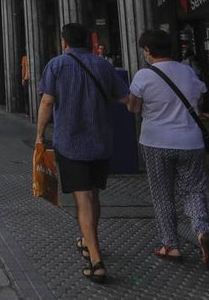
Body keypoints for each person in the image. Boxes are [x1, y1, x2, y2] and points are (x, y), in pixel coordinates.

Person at [35, 22, 130, 284]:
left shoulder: (56, 65)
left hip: (71, 143)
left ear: (64, 42)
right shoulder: (103, 65)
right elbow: (126, 99)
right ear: (88, 41)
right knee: (93, 195)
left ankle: (97, 260)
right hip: (101, 142)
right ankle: (88, 241)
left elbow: (46, 101)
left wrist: (40, 135)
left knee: (83, 199)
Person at [127, 29, 209, 270]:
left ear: (148, 51)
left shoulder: (144, 75)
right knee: (193, 191)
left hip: (156, 142)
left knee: (162, 195)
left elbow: (134, 108)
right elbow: (197, 104)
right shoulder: (187, 71)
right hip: (191, 142)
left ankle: (170, 245)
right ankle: (202, 232)